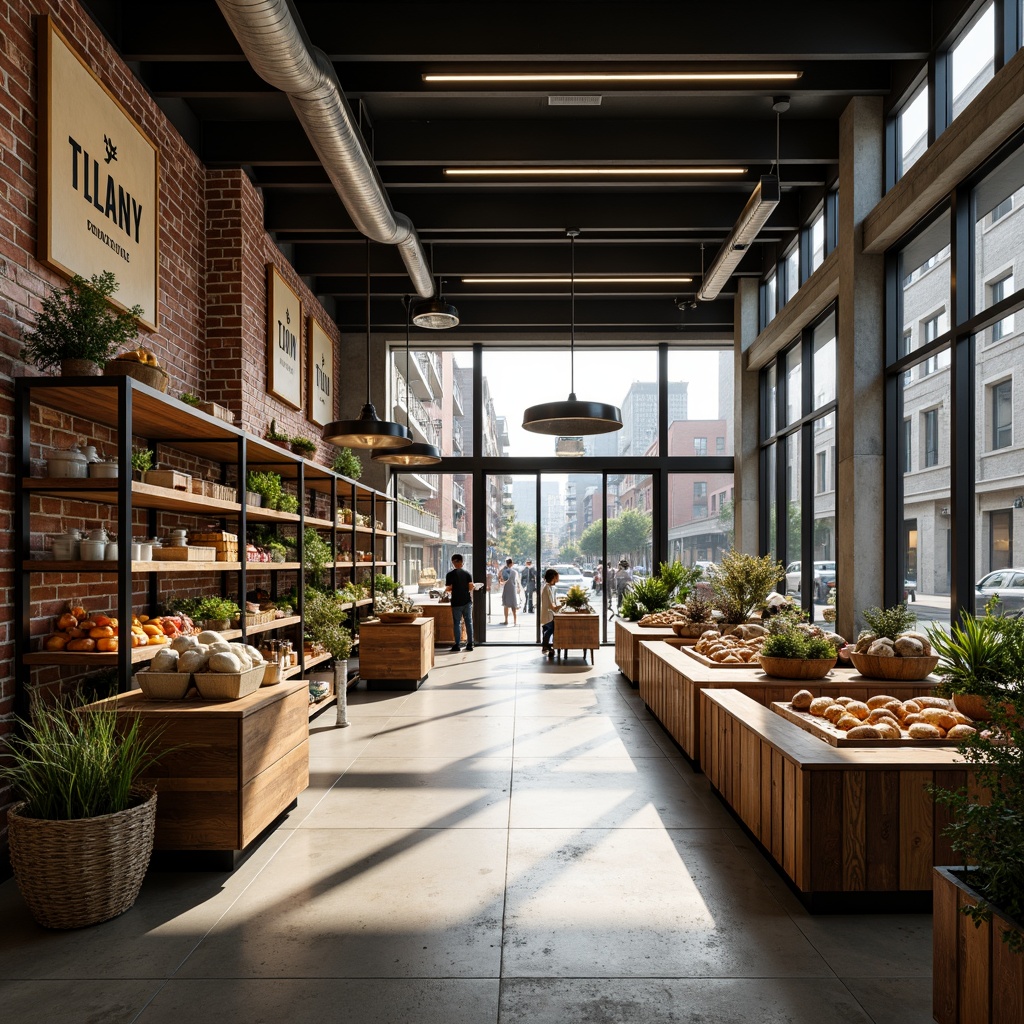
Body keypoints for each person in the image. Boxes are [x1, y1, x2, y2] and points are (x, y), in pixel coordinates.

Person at [444, 553, 474, 652]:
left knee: (457, 623)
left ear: (454, 562)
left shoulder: (450, 575)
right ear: (462, 562)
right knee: (468, 622)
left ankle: (457, 645)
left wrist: (452, 588)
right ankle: (470, 644)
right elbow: (470, 587)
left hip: (456, 602)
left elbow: (448, 589)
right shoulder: (467, 574)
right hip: (467, 601)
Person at [540, 567, 559, 658]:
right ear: (553, 577)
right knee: (552, 629)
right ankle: (546, 645)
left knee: (549, 630)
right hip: (548, 615)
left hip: (548, 614)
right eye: (557, 577)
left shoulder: (549, 587)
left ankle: (546, 646)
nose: (558, 579)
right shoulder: (547, 588)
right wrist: (562, 605)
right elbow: (552, 606)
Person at [500, 557, 520, 625]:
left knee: (506, 605)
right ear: (511, 564)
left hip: (506, 588)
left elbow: (502, 580)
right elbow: (516, 581)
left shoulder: (504, 571)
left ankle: (506, 620)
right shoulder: (514, 572)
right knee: (513, 605)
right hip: (512, 589)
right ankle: (515, 621)